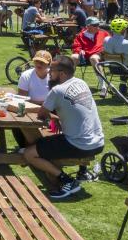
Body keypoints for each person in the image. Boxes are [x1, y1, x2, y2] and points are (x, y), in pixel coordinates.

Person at [20, 55, 104, 199]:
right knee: (42, 143)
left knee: (28, 153)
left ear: (62, 74)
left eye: (52, 70)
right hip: (98, 142)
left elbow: (41, 114)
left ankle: (67, 181)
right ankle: (72, 175)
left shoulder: (57, 90)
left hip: (78, 144)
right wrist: (55, 117)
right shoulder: (81, 83)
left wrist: (51, 116)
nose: (49, 73)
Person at [99, 18, 128, 98]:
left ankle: (123, 85)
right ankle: (124, 84)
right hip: (126, 69)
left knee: (126, 60)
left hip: (112, 68)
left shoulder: (106, 40)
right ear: (123, 30)